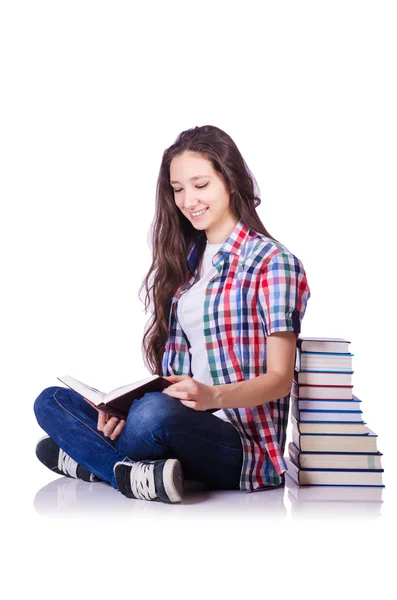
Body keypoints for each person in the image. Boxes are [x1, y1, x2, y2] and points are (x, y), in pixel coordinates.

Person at [33, 124, 311, 504]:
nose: (188, 200)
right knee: (51, 401)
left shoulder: (272, 262)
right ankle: (136, 473)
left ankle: (93, 465)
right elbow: (175, 379)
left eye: (200, 185)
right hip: (179, 424)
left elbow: (280, 380)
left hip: (241, 448)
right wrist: (119, 409)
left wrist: (213, 395)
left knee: (151, 416)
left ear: (230, 182)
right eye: (178, 189)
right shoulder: (188, 268)